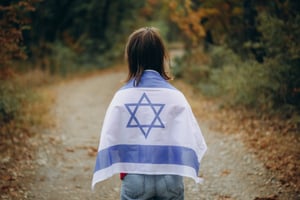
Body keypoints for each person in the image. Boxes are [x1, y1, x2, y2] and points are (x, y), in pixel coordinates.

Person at [92, 27, 207, 200]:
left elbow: (110, 137)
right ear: (161, 56)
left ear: (131, 57)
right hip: (170, 179)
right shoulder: (176, 96)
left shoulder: (121, 97)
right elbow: (192, 137)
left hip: (135, 179)